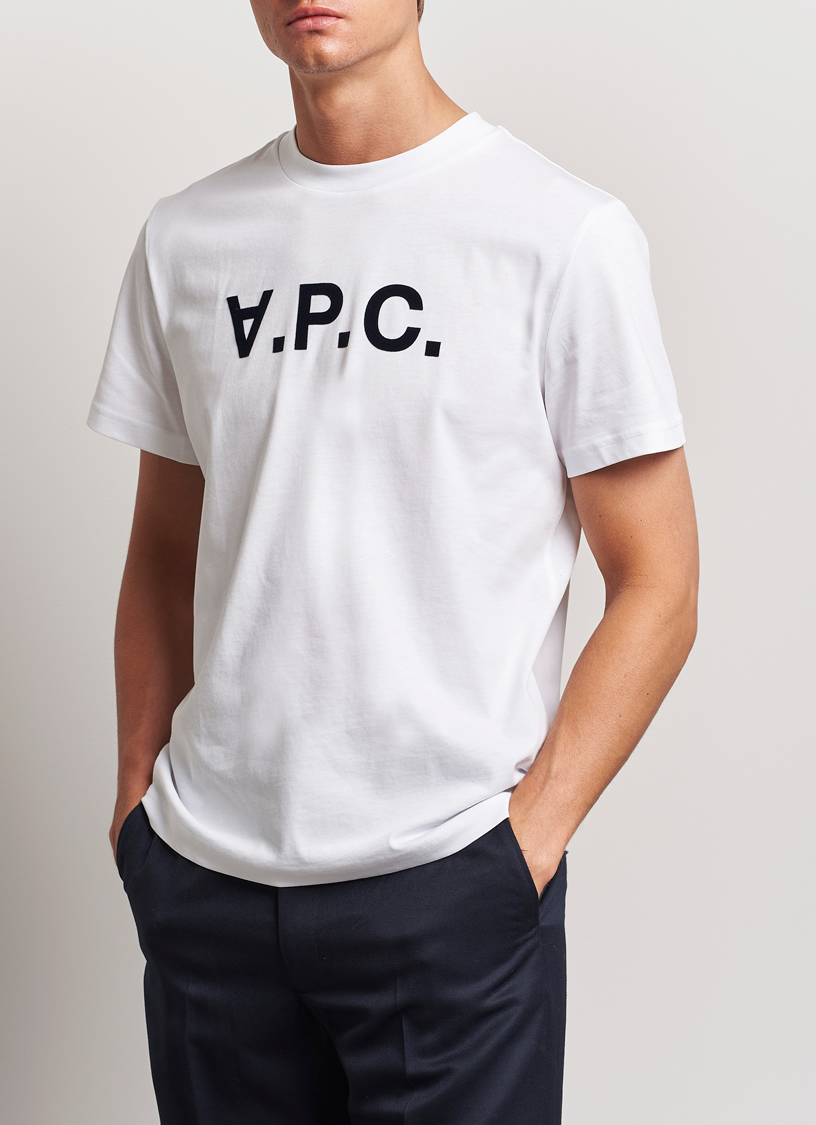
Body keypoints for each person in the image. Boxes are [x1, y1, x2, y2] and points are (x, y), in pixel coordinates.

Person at [86, 1, 699, 1121]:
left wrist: (525, 845)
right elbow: (164, 546)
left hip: (448, 887)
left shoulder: (560, 234)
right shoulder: (187, 238)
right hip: (209, 892)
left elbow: (659, 582)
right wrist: (139, 806)